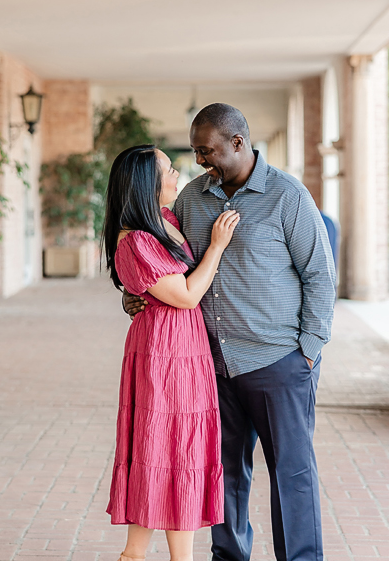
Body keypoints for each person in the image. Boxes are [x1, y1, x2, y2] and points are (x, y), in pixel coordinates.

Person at [125, 104, 336, 561]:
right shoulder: (191, 200)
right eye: (197, 152)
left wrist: (309, 350)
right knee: (224, 472)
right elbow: (161, 261)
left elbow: (319, 274)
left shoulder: (288, 196)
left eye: (207, 151)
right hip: (209, 363)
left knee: (291, 472)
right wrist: (133, 294)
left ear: (237, 143)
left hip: (278, 362)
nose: (200, 161)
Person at [104, 144, 240, 561]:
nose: (176, 175)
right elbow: (184, 295)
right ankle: (138, 554)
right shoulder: (136, 241)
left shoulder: (164, 220)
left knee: (177, 449)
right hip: (164, 353)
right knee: (160, 446)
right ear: (146, 183)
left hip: (185, 348)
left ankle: (162, 556)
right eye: (167, 170)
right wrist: (217, 246)